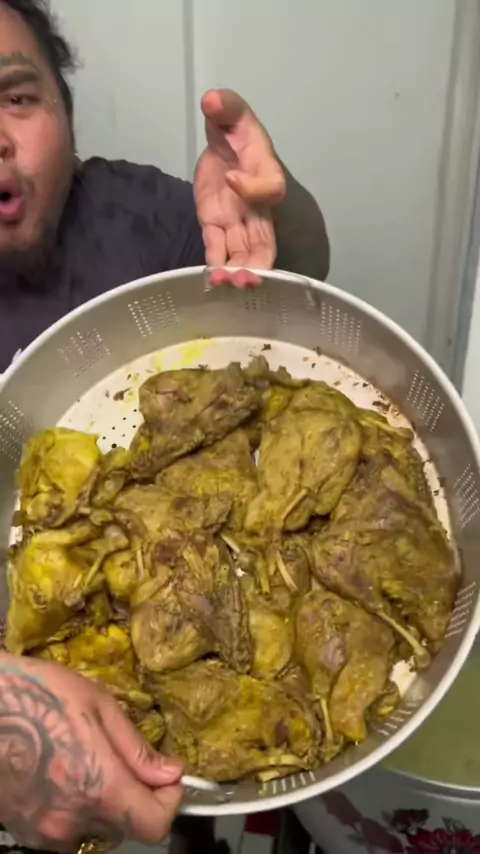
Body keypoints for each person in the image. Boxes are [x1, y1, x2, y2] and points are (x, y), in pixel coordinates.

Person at [0, 0, 330, 850]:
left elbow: (298, 275)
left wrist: (277, 211)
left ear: (66, 112)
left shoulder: (131, 212)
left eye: (17, 97)